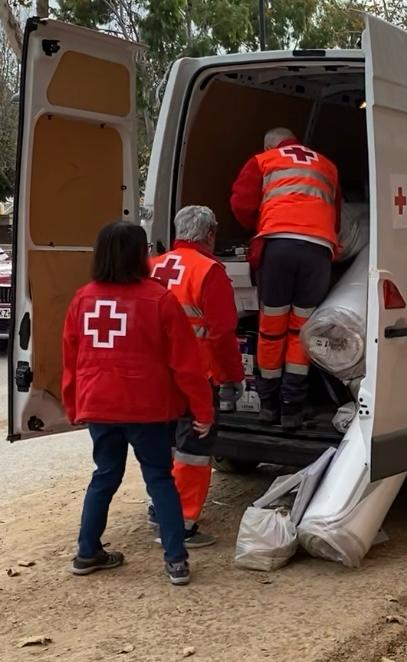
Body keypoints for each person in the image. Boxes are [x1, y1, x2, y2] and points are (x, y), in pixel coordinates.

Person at [63, 222, 214, 585]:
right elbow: (186, 364)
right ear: (139, 255)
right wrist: (203, 410)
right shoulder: (159, 299)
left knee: (104, 475)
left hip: (99, 404)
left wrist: (72, 404)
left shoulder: (82, 298)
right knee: (160, 478)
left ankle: (87, 552)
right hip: (147, 408)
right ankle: (176, 560)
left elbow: (70, 358)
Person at [230, 127, 340, 430]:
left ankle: (268, 406)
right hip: (318, 251)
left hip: (279, 247)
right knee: (302, 329)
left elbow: (241, 203)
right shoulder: (327, 165)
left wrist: (261, 225)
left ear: (269, 144)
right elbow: (336, 213)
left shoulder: (264, 160)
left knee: (272, 329)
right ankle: (293, 408)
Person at [149, 206, 245, 547]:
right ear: (210, 234)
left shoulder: (152, 265)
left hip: (154, 376)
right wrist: (232, 378)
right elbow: (221, 334)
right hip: (195, 376)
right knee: (192, 449)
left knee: (163, 444)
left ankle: (160, 507)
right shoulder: (210, 271)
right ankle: (183, 524)